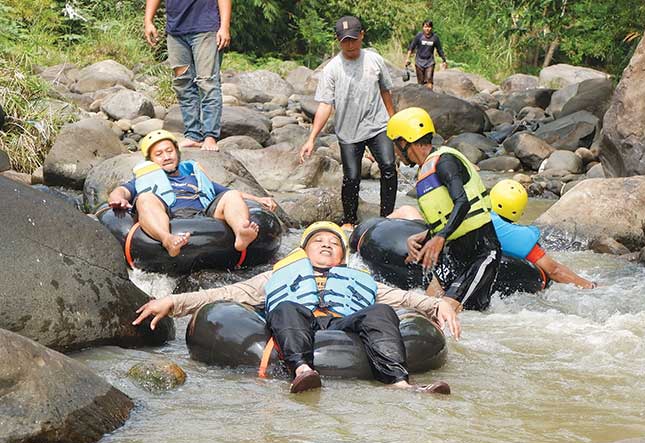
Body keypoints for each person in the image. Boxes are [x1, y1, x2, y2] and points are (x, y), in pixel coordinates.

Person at [133, 222, 460, 394]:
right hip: (297, 322)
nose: (327, 245)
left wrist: (438, 305)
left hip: (345, 325)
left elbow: (404, 300)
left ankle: (399, 383)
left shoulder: (362, 281)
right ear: (304, 251)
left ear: (342, 258)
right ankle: (303, 371)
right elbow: (226, 293)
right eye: (319, 242)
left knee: (381, 312)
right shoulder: (276, 276)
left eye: (333, 245)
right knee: (287, 306)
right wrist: (174, 302)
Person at [386, 107, 501, 312]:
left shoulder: (445, 161)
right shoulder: (426, 171)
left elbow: (462, 202)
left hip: (481, 252)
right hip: (455, 254)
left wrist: (440, 237)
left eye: (396, 144)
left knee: (443, 313)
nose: (395, 151)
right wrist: (426, 236)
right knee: (423, 309)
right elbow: (446, 218)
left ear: (405, 141)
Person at [389, 180, 596, 290]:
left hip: (435, 263)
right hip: (462, 277)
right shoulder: (519, 237)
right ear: (519, 210)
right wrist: (589, 285)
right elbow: (555, 271)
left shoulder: (469, 215)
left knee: (407, 211)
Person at [107, 129, 276, 257]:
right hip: (170, 214)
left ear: (177, 152)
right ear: (151, 160)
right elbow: (122, 190)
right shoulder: (146, 178)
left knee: (232, 196)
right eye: (159, 154)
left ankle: (241, 233)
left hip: (203, 214)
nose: (166, 157)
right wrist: (116, 198)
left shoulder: (193, 176)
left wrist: (258, 198)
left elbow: (228, 193)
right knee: (145, 198)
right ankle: (167, 240)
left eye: (169, 151)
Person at [299, 15, 397, 229]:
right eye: (345, 41)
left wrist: (394, 121)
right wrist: (311, 138)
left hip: (377, 126)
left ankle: (387, 218)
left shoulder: (374, 60)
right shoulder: (332, 69)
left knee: (388, 167)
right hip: (349, 132)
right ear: (338, 40)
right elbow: (325, 105)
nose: (350, 45)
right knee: (351, 178)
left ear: (362, 35)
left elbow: (385, 91)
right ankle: (349, 220)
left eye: (354, 39)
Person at [143, 0, 229, 151]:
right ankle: (193, 135)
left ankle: (210, 137)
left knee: (207, 82)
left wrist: (225, 27)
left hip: (206, 28)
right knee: (183, 84)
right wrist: (148, 21)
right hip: (176, 31)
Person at [404, 20, 446, 90]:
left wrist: (444, 60)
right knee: (420, 83)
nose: (427, 29)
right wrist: (407, 58)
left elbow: (439, 50)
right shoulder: (419, 36)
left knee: (429, 81)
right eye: (425, 27)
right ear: (423, 27)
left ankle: (430, 96)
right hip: (419, 62)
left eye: (429, 27)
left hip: (430, 62)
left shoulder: (435, 38)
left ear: (431, 28)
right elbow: (411, 47)